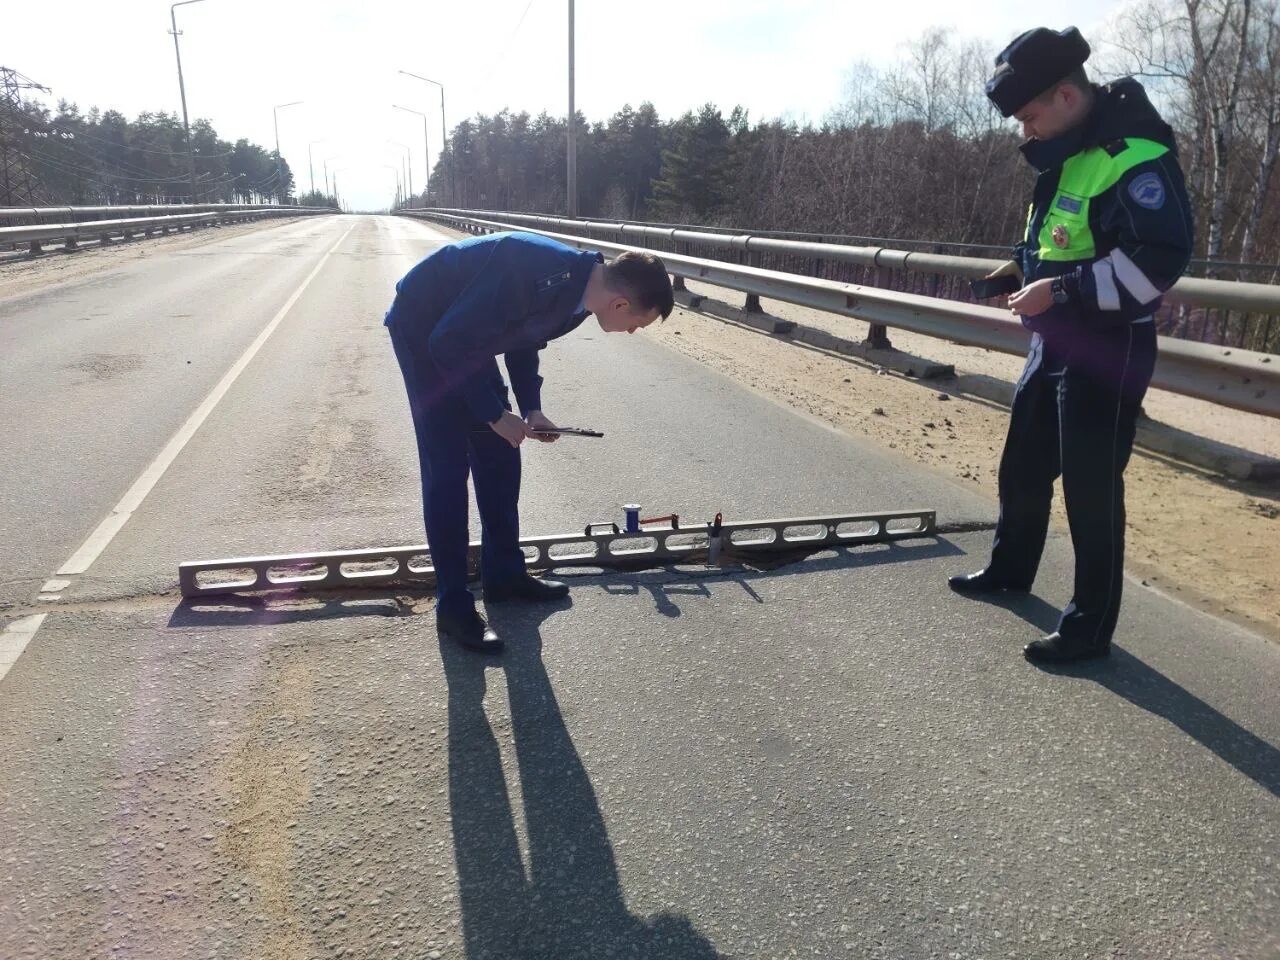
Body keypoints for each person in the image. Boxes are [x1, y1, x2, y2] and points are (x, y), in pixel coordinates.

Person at [949, 26, 1194, 663]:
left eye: (1029, 116)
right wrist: (1018, 274)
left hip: (1110, 347)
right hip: (1055, 342)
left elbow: (1158, 262)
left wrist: (1058, 293)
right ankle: (1010, 570)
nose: (1024, 131)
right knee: (1023, 466)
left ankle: (1089, 630)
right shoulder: (1068, 150)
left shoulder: (1135, 156)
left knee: (1091, 489)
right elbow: (1062, 240)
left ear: (1064, 96)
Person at [385, 231, 674, 653]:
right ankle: (453, 606)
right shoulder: (541, 273)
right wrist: (493, 414)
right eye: (638, 324)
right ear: (621, 304)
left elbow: (521, 338)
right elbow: (445, 342)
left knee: (502, 451)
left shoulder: (580, 294)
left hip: (465, 333)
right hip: (424, 327)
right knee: (447, 469)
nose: (631, 332)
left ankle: (503, 575)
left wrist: (530, 408)